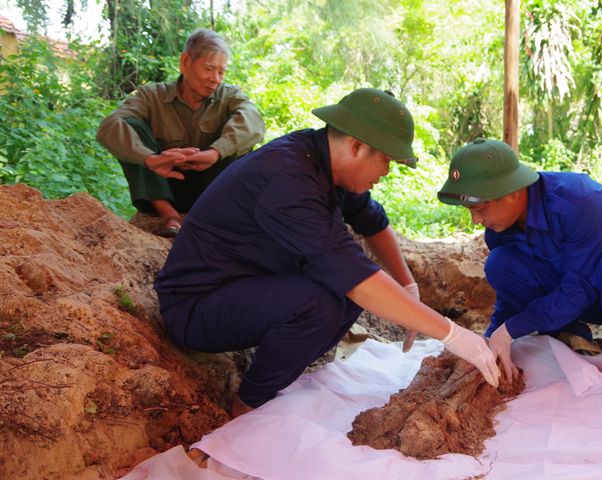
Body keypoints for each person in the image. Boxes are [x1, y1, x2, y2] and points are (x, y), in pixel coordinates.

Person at [153, 88, 499, 418]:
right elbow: (353, 273)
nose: (387, 172)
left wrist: (408, 285)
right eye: (387, 160)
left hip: (246, 287)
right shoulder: (289, 177)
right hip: (196, 308)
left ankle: (281, 365)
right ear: (357, 147)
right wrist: (451, 333)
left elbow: (372, 221)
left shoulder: (323, 161)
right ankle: (247, 405)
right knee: (324, 300)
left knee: (343, 294)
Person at [437, 138, 602, 380]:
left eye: (480, 209)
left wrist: (511, 330)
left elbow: (577, 289)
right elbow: (509, 294)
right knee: (499, 263)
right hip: (580, 296)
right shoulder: (500, 228)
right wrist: (492, 337)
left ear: (513, 192)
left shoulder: (583, 202)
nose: (476, 220)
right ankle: (571, 336)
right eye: (470, 210)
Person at [96, 28, 265, 237]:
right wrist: (150, 159)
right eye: (209, 69)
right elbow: (109, 126)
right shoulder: (152, 95)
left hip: (213, 189)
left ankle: (213, 215)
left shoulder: (231, 95)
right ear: (185, 62)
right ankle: (170, 215)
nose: (216, 79)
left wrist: (214, 153)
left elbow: (255, 122)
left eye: (221, 72)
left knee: (241, 131)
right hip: (163, 188)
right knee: (130, 126)